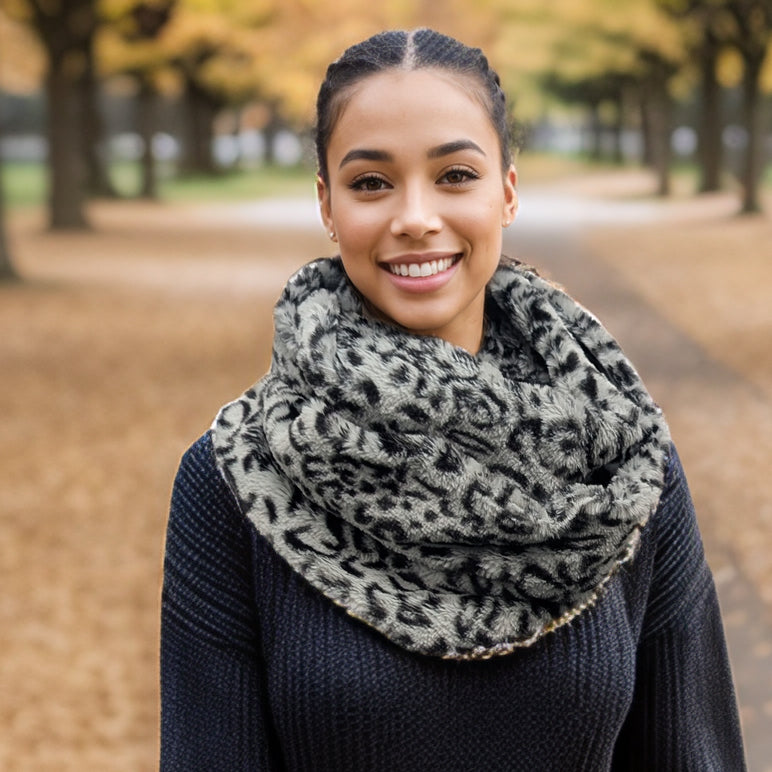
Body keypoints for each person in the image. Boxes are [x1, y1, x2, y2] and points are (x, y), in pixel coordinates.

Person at [160, 28, 746, 771]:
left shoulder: (623, 462)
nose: (414, 216)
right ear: (327, 205)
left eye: (456, 175)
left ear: (506, 190)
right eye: (371, 182)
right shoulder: (233, 477)